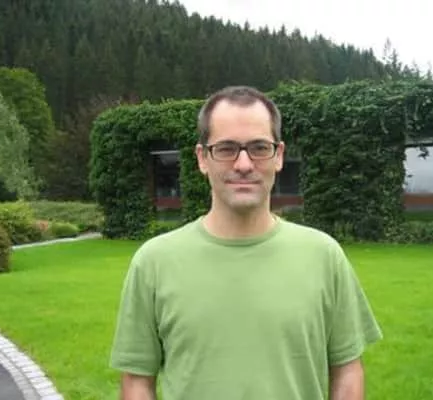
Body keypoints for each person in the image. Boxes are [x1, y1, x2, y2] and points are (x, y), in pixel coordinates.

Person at [109, 86, 383, 400]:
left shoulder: (324, 256)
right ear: (202, 158)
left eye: (259, 147)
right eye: (226, 149)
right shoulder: (154, 262)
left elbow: (347, 370)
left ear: (279, 156)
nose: (243, 164)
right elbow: (137, 381)